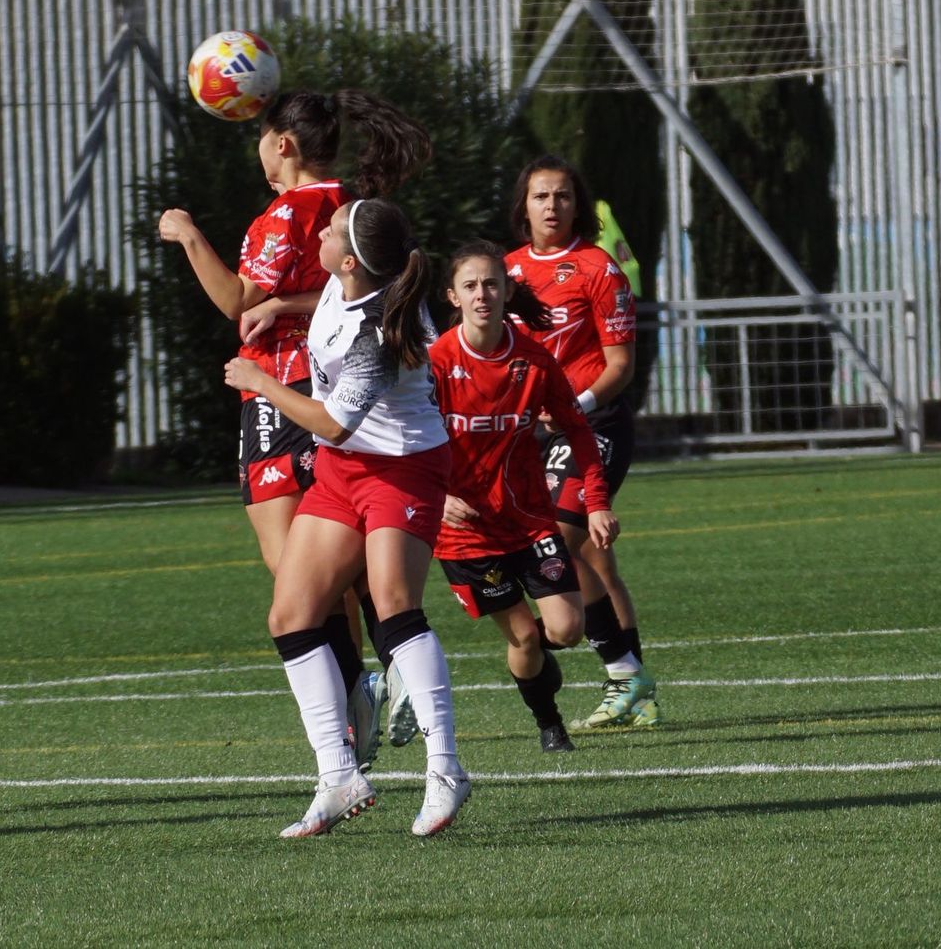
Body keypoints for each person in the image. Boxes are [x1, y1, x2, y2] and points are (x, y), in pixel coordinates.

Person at [158, 90, 431, 764]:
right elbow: (357, 290)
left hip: (283, 396)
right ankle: (386, 673)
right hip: (335, 388)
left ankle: (357, 693)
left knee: (295, 570)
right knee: (342, 554)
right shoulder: (351, 211)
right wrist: (287, 300)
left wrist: (187, 232)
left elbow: (234, 301)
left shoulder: (287, 212)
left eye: (259, 137)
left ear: (281, 144)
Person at [223, 197, 471, 838]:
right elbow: (324, 298)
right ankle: (338, 776)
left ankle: (445, 770)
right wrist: (279, 305)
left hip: (403, 469)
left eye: (331, 233)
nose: (322, 236)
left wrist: (261, 381)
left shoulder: (378, 331)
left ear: (353, 260)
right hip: (342, 470)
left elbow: (332, 421)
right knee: (291, 615)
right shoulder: (347, 280)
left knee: (392, 604)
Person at [430, 241, 621, 753]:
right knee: (523, 638)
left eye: (491, 283)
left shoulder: (533, 360)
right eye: (470, 286)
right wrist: (436, 496)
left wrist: (598, 501)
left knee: (566, 628)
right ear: (453, 296)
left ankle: (535, 659)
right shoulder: (436, 364)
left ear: (508, 289)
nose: (482, 295)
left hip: (530, 520)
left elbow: (578, 429)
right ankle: (548, 721)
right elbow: (404, 443)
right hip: (465, 533)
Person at [505, 155, 660, 729]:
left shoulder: (598, 269)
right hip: (534, 433)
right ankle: (636, 690)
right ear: (524, 205)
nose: (552, 206)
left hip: (594, 426)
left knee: (559, 541)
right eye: (542, 196)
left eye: (564, 196)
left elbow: (619, 366)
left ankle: (622, 671)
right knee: (597, 560)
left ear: (579, 205)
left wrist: (570, 410)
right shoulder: (507, 272)